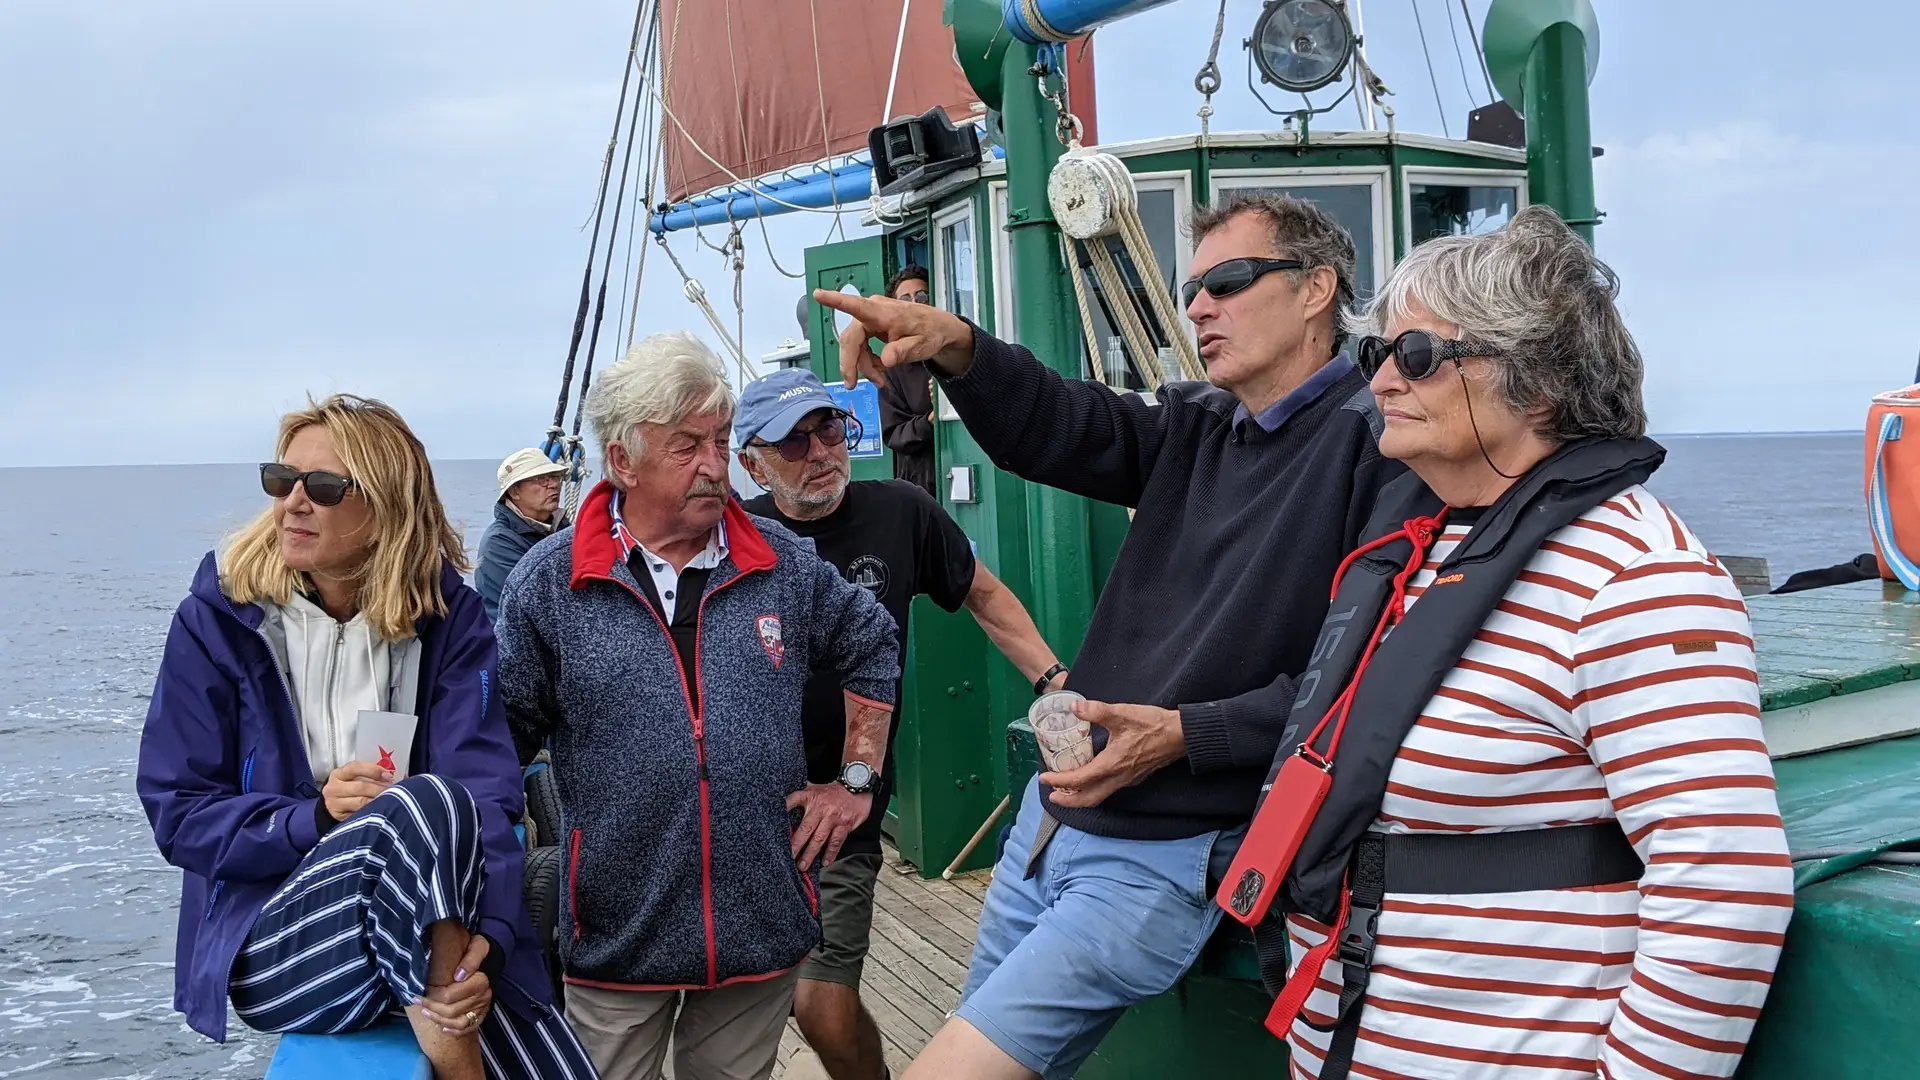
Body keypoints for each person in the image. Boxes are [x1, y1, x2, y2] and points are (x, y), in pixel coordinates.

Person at [817, 193, 1404, 1080]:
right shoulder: (1198, 422)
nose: (1198, 306)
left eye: (1228, 282)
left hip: (1159, 855)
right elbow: (1059, 424)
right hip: (1045, 828)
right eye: (1191, 287)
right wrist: (957, 346)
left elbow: (1381, 675)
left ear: (1318, 287)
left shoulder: (1382, 446)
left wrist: (1188, 735)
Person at [1247, 206, 1793, 1079]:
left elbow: (1726, 888)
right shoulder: (1429, 554)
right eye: (1375, 355)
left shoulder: (1636, 580)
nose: (1382, 380)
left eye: (1416, 356)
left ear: (1536, 382)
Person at [136, 394, 597, 1080]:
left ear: (387, 503)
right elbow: (178, 813)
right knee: (420, 805)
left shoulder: (448, 620)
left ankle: (450, 996)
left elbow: (491, 799)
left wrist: (491, 945)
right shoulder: (217, 621)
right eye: (280, 479)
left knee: (544, 1049)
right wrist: (313, 816)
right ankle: (456, 1046)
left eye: (322, 487)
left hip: (420, 921)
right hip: (278, 942)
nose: (293, 501)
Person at [494, 331, 904, 1080]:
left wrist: (854, 782)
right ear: (621, 461)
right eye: (687, 446)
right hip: (617, 933)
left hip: (759, 925)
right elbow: (501, 747)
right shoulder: (550, 585)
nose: (716, 466)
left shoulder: (782, 562)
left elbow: (874, 645)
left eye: (720, 441)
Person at [734, 368, 1068, 1080]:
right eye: (793, 442)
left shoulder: (901, 512)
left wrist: (1054, 680)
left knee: (821, 1004)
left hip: (843, 804)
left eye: (829, 429)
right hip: (738, 813)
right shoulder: (736, 538)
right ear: (751, 462)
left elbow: (984, 594)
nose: (820, 450)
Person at [475, 448, 569, 622]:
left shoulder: (563, 530)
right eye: (541, 479)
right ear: (514, 492)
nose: (553, 484)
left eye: (555, 476)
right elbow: (537, 604)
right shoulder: (499, 543)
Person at [876, 265, 938, 496]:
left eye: (922, 296)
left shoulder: (954, 351)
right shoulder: (892, 366)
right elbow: (894, 434)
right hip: (922, 487)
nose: (915, 302)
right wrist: (931, 420)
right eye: (905, 299)